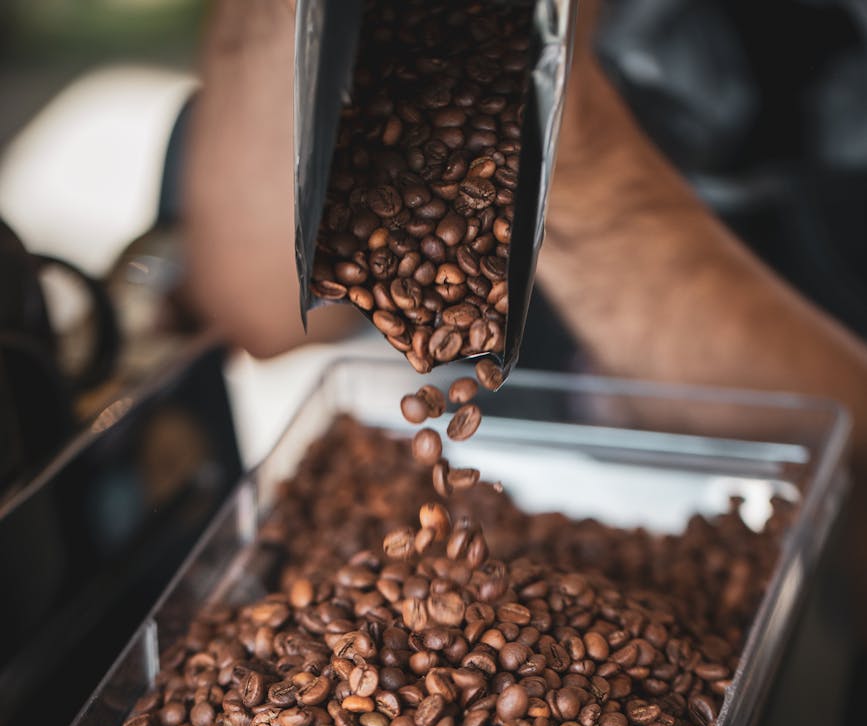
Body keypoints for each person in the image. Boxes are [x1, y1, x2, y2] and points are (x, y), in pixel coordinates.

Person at [181, 0, 867, 634]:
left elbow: (843, 448)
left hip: (788, 597)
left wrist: (542, 109)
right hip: (498, 503)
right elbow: (258, 311)